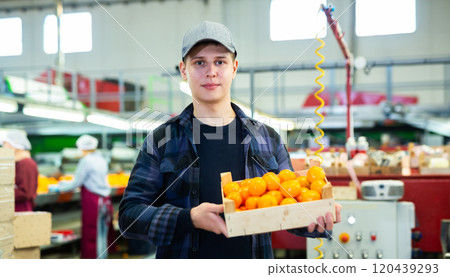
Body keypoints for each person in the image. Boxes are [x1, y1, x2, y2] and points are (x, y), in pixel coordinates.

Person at [119, 21, 342, 258]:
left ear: (234, 68)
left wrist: (315, 219)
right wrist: (189, 218)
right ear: (184, 71)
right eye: (199, 62)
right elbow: (129, 216)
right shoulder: (161, 140)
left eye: (220, 61)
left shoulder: (268, 139)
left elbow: (287, 207)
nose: (211, 71)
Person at [56, 135, 113, 259]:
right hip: (105, 199)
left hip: (93, 200)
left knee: (91, 233)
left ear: (82, 148)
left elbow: (77, 182)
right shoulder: (101, 159)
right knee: (102, 232)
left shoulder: (86, 160)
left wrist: (59, 188)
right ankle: (102, 257)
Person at [0, 130, 38, 212]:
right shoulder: (15, 162)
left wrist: (3, 192)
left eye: (5, 143)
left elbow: (26, 193)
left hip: (21, 208)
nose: (3, 147)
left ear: (15, 144)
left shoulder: (26, 163)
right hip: (12, 207)